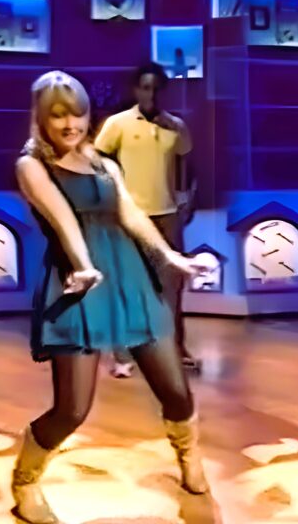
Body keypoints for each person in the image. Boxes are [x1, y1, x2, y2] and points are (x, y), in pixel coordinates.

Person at [11, 70, 213, 523]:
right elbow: (63, 219)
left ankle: (189, 458)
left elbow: (130, 214)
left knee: (176, 392)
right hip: (78, 284)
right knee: (72, 410)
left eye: (77, 114)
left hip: (130, 277)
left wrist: (171, 257)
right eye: (58, 116)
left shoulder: (103, 163)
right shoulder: (32, 165)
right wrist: (84, 265)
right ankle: (25, 481)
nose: (70, 125)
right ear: (41, 118)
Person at [95, 62, 198, 378]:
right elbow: (97, 162)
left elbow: (187, 163)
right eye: (145, 87)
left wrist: (186, 198)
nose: (150, 93)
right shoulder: (118, 124)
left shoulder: (176, 126)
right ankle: (122, 354)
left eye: (156, 88)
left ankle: (175, 347)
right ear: (136, 89)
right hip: (129, 216)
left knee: (171, 286)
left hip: (167, 215)